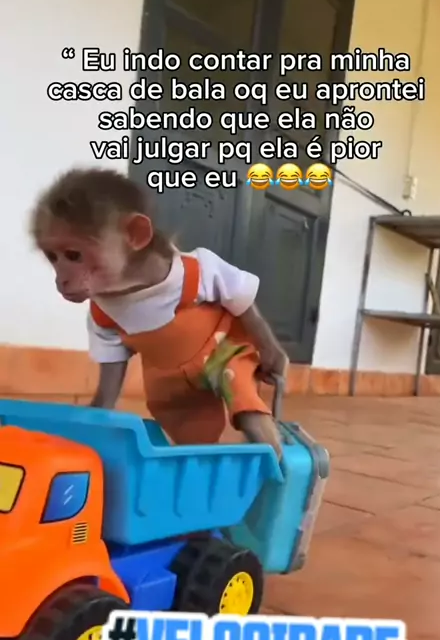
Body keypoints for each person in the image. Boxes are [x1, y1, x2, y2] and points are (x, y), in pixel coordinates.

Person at [30, 167, 288, 455]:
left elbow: (241, 298)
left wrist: (269, 347)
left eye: (74, 255)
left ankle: (274, 458)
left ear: (135, 235)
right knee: (190, 435)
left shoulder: (194, 271)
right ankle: (201, 468)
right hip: (166, 374)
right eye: (52, 257)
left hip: (219, 350)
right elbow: (111, 369)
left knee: (243, 396)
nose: (61, 277)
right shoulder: (103, 312)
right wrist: (99, 413)